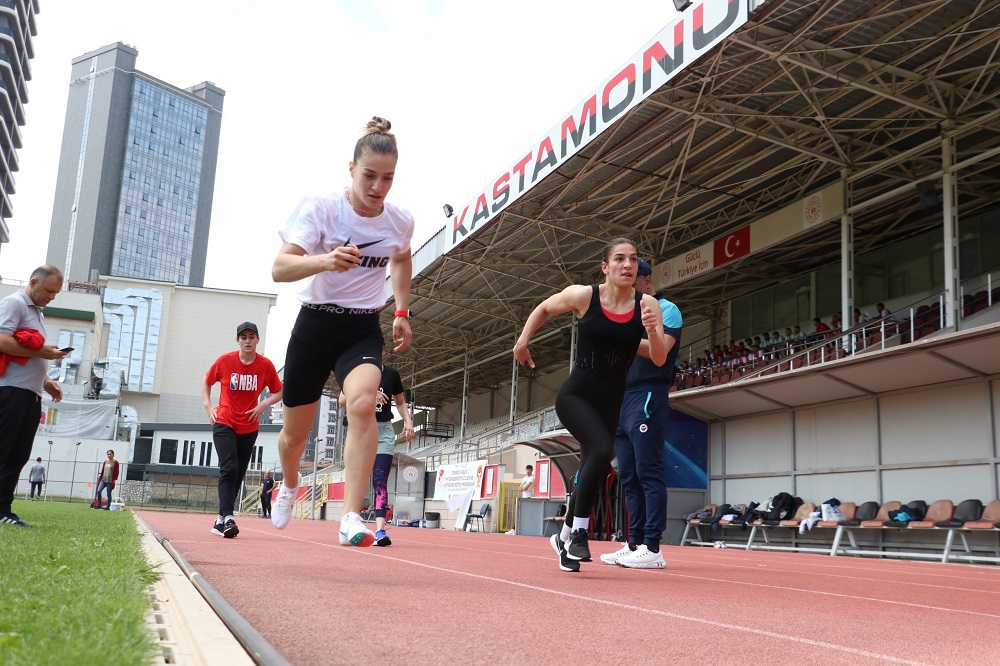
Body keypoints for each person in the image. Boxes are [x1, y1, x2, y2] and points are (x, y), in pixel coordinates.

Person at [270, 116, 414, 548]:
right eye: (369, 175)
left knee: (365, 402)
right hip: (315, 323)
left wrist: (403, 309)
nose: (378, 187)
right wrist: (325, 260)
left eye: (387, 178)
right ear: (350, 169)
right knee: (294, 438)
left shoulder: (399, 221)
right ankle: (291, 484)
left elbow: (402, 258)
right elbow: (279, 268)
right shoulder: (322, 208)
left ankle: (351, 515)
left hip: (360, 328)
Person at [514, 238, 667, 572]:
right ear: (605, 267)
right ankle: (581, 533)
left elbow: (658, 357)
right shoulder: (585, 295)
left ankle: (563, 539)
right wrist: (523, 342)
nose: (628, 265)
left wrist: (654, 332)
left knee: (594, 465)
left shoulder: (647, 306)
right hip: (577, 394)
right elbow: (543, 308)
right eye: (619, 259)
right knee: (601, 450)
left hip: (612, 400)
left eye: (633, 259)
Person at [602, 258, 682, 570]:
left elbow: (659, 351)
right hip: (623, 397)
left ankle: (653, 547)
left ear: (646, 279)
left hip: (649, 392)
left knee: (649, 472)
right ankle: (634, 543)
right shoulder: (622, 317)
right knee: (629, 476)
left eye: (630, 279)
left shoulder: (666, 308)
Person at [0, 265, 67, 527]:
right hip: (11, 391)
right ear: (33, 282)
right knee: (5, 451)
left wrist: (46, 380)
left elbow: (26, 354)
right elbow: (1, 340)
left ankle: (5, 509)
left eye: (56, 293)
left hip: (30, 393)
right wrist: (42, 354)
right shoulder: (15, 303)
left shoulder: (37, 313)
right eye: (49, 290)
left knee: (19, 454)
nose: (52, 297)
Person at [202, 321, 283, 538]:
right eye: (243, 337)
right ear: (238, 340)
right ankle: (228, 517)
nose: (248, 341)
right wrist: (208, 405)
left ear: (257, 340)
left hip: (249, 425)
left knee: (238, 472)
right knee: (228, 467)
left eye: (252, 337)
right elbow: (207, 381)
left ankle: (220, 521)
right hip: (224, 421)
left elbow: (279, 391)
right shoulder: (225, 361)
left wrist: (263, 404)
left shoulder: (265, 366)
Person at [338, 343, 415, 547]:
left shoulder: (391, 374)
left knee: (380, 480)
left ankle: (380, 531)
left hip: (384, 431)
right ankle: (347, 523)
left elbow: (399, 401)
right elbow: (341, 400)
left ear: (383, 352)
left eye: (377, 349)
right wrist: (368, 392)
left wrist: (408, 421)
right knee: (355, 479)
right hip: (361, 430)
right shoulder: (355, 372)